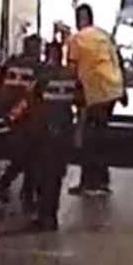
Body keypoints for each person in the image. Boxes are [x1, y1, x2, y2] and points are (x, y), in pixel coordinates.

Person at [67, 3, 125, 197]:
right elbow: (117, 59)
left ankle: (90, 183)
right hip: (112, 90)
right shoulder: (103, 35)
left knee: (89, 139)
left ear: (80, 20)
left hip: (96, 92)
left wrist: (73, 95)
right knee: (100, 136)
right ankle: (101, 180)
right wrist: (122, 90)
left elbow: (72, 70)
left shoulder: (76, 40)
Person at [23, 61, 79, 231]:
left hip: (45, 130)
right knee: (55, 176)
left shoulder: (42, 78)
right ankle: (51, 216)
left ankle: (43, 215)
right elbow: (81, 101)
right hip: (64, 130)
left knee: (43, 174)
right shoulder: (72, 79)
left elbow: (32, 101)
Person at [0, 34, 44, 211]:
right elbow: (33, 95)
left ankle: (25, 192)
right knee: (31, 153)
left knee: (29, 153)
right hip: (21, 115)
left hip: (3, 110)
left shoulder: (12, 62)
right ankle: (20, 190)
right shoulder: (38, 68)